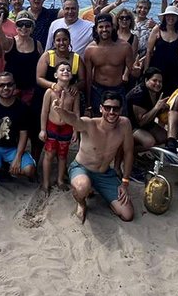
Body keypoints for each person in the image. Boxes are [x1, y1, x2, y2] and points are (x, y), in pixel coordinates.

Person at [50, 90, 135, 223]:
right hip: (82, 168)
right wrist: (60, 110)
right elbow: (74, 120)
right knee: (82, 186)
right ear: (101, 108)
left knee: (127, 215)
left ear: (121, 109)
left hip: (104, 173)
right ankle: (81, 202)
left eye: (115, 108)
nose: (112, 112)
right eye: (108, 108)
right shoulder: (89, 124)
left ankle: (102, 192)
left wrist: (125, 182)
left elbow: (129, 152)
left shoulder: (125, 125)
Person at [39, 60, 79, 191]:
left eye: (68, 70)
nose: (65, 71)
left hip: (66, 129)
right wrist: (43, 130)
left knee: (63, 155)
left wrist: (75, 131)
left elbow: (76, 113)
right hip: (52, 127)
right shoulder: (49, 92)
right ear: (55, 75)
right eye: (62, 70)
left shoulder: (74, 93)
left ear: (71, 75)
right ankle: (45, 182)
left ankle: (60, 180)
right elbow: (44, 111)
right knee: (49, 155)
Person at [84, 13, 134, 112]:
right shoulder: (90, 50)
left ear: (113, 27)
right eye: (101, 27)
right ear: (96, 29)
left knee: (121, 122)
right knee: (97, 122)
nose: (104, 29)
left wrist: (136, 70)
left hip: (118, 90)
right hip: (97, 90)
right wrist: (88, 101)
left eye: (107, 26)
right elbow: (88, 78)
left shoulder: (125, 47)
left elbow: (132, 72)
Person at [0, 11, 42, 107]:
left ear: (32, 27)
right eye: (20, 24)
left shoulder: (38, 45)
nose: (23, 28)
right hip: (11, 90)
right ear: (16, 26)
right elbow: (2, 40)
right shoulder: (10, 42)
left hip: (30, 90)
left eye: (27, 24)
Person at [144, 5, 178, 95]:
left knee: (172, 96)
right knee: (154, 94)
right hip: (157, 67)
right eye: (168, 15)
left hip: (174, 69)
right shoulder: (157, 29)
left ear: (177, 18)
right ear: (164, 17)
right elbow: (149, 51)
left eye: (173, 16)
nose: (171, 18)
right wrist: (146, 71)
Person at [35, 28, 86, 99]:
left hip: (68, 98)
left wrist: (75, 86)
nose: (61, 43)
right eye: (58, 40)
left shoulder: (77, 58)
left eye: (65, 39)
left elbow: (83, 81)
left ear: (69, 41)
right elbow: (39, 78)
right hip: (45, 96)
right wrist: (53, 85)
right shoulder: (47, 56)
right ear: (54, 43)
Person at [126, 66, 167, 150]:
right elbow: (141, 122)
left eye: (160, 82)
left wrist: (163, 108)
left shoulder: (156, 91)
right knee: (149, 142)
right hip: (131, 125)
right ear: (146, 80)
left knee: (164, 137)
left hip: (147, 123)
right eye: (154, 80)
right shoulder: (138, 94)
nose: (158, 84)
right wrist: (156, 108)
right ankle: (131, 151)